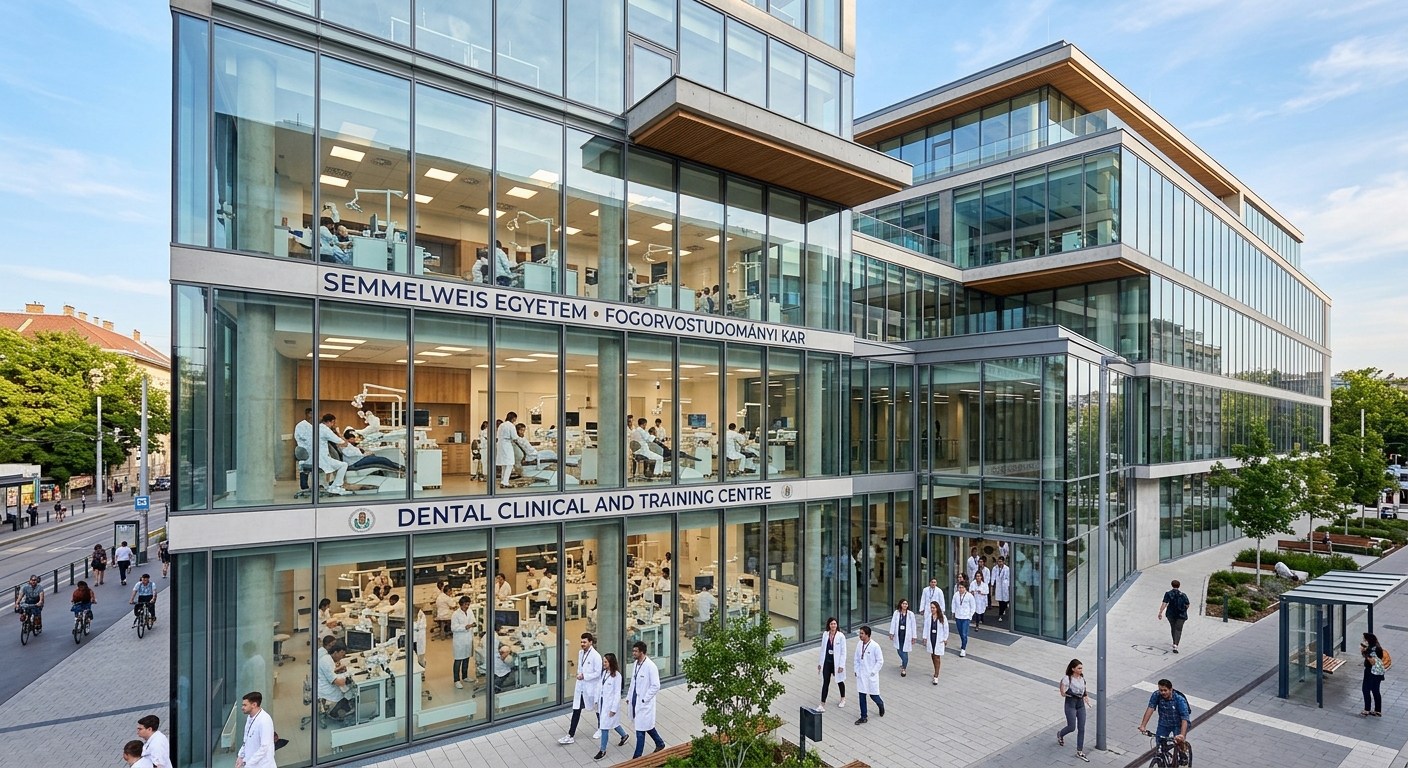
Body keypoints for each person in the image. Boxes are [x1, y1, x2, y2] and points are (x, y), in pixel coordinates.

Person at [560, 632, 603, 744]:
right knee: (576, 710)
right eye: (581, 642)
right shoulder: (580, 653)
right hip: (581, 687)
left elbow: (598, 673)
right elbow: (581, 667)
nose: (582, 644)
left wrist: (584, 676)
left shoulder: (596, 656)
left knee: (597, 708)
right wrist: (579, 675)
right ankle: (570, 734)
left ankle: (601, 728)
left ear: (590, 642)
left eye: (584, 642)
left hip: (591, 687)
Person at [1137, 678, 1191, 761]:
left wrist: (1182, 735)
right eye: (1160, 690)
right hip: (1164, 723)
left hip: (1178, 724)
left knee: (1179, 742)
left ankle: (1183, 755)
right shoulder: (1156, 695)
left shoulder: (1179, 700)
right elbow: (1150, 708)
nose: (1163, 693)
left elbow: (1185, 718)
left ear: (1171, 689)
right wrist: (1143, 725)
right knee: (1160, 745)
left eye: (1165, 690)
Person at [629, 640, 666, 757]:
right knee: (647, 727)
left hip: (645, 703)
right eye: (633, 651)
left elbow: (656, 685)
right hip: (637, 701)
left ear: (642, 652)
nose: (633, 653)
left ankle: (637, 757)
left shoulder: (650, 666)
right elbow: (633, 682)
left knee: (640, 731)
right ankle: (660, 743)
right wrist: (630, 696)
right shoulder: (636, 665)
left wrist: (645, 699)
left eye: (636, 651)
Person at [594, 652, 631, 761]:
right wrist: (596, 701)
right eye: (603, 661)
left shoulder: (617, 676)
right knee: (613, 724)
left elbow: (616, 694)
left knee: (604, 726)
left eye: (605, 661)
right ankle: (624, 736)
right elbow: (599, 688)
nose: (603, 663)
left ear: (611, 662)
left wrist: (613, 709)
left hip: (610, 705)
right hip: (602, 703)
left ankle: (602, 750)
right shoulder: (604, 673)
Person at [1058, 659, 1092, 762]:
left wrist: (1086, 697)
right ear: (1073, 669)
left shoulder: (1082, 678)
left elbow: (1084, 689)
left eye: (1081, 668)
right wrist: (1067, 692)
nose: (1081, 670)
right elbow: (1062, 693)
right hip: (1070, 703)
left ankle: (1080, 751)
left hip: (1080, 704)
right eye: (1079, 668)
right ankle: (1060, 734)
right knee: (1072, 727)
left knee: (1081, 728)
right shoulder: (1067, 679)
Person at [851, 625, 884, 725]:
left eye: (862, 633)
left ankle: (880, 704)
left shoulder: (875, 646)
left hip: (870, 676)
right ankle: (863, 716)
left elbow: (880, 661)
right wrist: (856, 670)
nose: (860, 635)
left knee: (873, 696)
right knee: (862, 695)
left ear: (867, 635)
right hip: (861, 674)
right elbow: (856, 658)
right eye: (860, 633)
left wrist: (873, 672)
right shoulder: (859, 644)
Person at [234, 692, 276, 768]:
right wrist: (241, 756)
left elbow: (264, 747)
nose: (242, 707)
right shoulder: (250, 717)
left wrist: (249, 763)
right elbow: (246, 740)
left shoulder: (264, 721)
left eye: (245, 705)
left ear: (254, 705)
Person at [317, 642, 355, 721]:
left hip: (321, 682)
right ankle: (334, 712)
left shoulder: (327, 658)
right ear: (335, 652)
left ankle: (345, 707)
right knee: (350, 689)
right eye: (341, 654)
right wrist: (349, 678)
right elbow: (338, 683)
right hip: (324, 689)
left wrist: (339, 669)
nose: (342, 657)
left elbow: (331, 672)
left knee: (346, 684)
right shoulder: (327, 662)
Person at [339, 428, 404, 473]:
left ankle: (398, 466)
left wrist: (364, 453)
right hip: (355, 462)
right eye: (352, 439)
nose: (354, 440)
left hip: (359, 459)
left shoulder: (347, 444)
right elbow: (350, 453)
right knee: (381, 460)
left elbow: (354, 451)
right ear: (348, 439)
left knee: (380, 459)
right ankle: (398, 468)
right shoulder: (344, 446)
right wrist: (365, 454)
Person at [817, 616, 847, 711]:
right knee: (825, 682)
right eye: (831, 624)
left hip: (836, 662)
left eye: (835, 624)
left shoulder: (841, 636)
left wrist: (841, 665)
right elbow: (822, 649)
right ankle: (822, 704)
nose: (833, 625)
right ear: (829, 625)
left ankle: (843, 699)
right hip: (827, 661)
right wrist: (820, 663)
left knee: (839, 681)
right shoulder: (825, 634)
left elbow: (843, 652)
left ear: (837, 625)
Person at [316, 414, 351, 495]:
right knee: (343, 465)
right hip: (321, 458)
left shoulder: (317, 427)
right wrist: (344, 442)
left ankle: (325, 485)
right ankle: (335, 486)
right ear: (329, 422)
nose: (333, 425)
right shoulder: (325, 429)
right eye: (333, 422)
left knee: (328, 467)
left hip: (316, 457)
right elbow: (338, 440)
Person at [1158, 580, 1190, 654]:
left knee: (1173, 627)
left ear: (1172, 585)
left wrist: (1160, 612)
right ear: (1179, 586)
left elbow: (1164, 603)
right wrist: (1184, 610)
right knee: (1178, 629)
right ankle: (1176, 644)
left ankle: (1174, 641)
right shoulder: (1183, 595)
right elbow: (1187, 604)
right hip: (1181, 615)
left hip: (1171, 614)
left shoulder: (1168, 594)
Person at [889, 599, 918, 677]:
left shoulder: (911, 614)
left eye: (906, 604)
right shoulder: (896, 613)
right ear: (901, 604)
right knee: (899, 650)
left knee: (904, 651)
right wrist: (891, 633)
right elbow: (893, 623)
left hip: (907, 635)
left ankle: (904, 668)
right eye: (903, 604)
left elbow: (913, 626)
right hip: (899, 634)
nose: (905, 605)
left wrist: (914, 637)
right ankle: (904, 662)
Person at [1361, 632, 1386, 717]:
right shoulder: (1379, 648)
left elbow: (1371, 661)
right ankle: (1378, 710)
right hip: (1378, 672)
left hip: (1370, 671)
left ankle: (1367, 709)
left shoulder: (1370, 649)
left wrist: (1364, 652)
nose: (1363, 639)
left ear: (1367, 640)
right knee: (1376, 690)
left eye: (1364, 638)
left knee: (1365, 689)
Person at [950, 582, 976, 657]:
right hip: (958, 617)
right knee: (960, 632)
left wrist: (970, 616)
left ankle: (963, 649)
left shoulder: (969, 596)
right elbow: (953, 603)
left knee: (964, 634)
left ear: (965, 588)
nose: (960, 589)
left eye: (962, 588)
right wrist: (953, 612)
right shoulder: (956, 595)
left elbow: (973, 606)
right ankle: (963, 643)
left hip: (966, 618)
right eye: (959, 587)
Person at [294, 408, 315, 493]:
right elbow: (303, 437)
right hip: (304, 450)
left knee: (314, 468)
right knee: (304, 469)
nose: (312, 416)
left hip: (313, 450)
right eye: (311, 414)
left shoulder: (313, 425)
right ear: (307, 414)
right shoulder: (301, 425)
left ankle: (317, 485)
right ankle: (304, 487)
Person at [497, 412, 519, 488]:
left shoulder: (501, 425)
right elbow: (515, 437)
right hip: (506, 444)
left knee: (504, 465)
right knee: (509, 464)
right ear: (513, 418)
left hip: (500, 444)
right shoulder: (511, 426)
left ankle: (503, 481)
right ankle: (505, 482)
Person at [992, 556, 1012, 621]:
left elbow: (1009, 577)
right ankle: (1000, 614)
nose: (999, 563)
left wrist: (1009, 585)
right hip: (999, 585)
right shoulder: (995, 568)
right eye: (998, 561)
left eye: (1000, 561)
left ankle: (1003, 610)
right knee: (1000, 600)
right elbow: (993, 576)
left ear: (1003, 562)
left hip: (1005, 585)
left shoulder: (1007, 568)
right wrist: (992, 584)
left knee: (1005, 600)